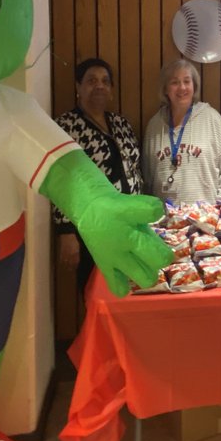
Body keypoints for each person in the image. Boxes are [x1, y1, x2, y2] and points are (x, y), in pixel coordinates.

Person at [53, 58, 144, 308]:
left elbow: (135, 170)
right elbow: (61, 181)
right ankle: (99, 345)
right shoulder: (66, 127)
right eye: (91, 81)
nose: (99, 86)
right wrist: (66, 232)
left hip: (129, 227)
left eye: (105, 81)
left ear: (112, 90)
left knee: (128, 295)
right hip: (91, 230)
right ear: (78, 87)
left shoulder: (122, 125)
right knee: (97, 297)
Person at [142, 59, 221, 203]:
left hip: (205, 218)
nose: (182, 88)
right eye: (174, 82)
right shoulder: (154, 125)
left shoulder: (211, 117)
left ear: (194, 86)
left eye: (187, 81)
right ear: (166, 89)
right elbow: (147, 175)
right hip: (165, 220)